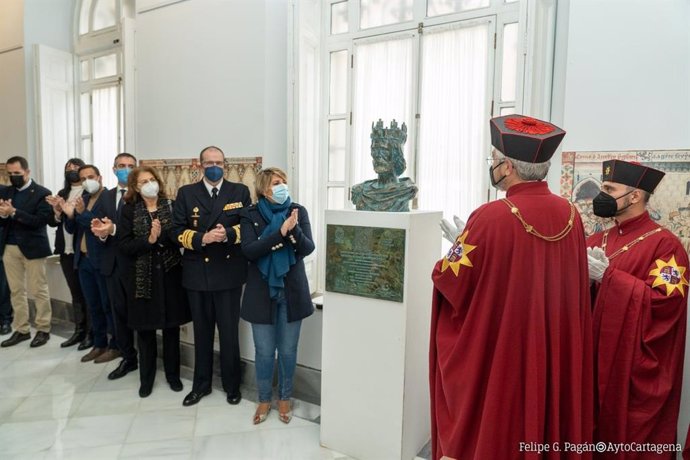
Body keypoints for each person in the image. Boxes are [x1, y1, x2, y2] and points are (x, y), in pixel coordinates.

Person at [429, 115, 593, 459]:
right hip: (550, 345)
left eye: (493, 160)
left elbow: (449, 280)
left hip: (502, 348)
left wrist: (458, 246)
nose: (493, 167)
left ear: (506, 168)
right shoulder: (570, 214)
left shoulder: (490, 216)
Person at [586, 159, 688, 457]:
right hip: (590, 361)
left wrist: (610, 279)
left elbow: (668, 304)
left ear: (634, 196)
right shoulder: (595, 239)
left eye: (609, 188)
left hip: (630, 369)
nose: (601, 194)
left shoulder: (666, 246)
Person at [173, 146, 251, 407]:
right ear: (199, 165)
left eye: (218, 162)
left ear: (225, 164)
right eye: (209, 163)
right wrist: (201, 238)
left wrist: (228, 234)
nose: (214, 166)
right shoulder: (186, 193)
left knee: (229, 334)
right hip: (197, 273)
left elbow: (249, 226)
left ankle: (232, 385)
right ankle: (201, 385)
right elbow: (175, 231)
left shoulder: (239, 191)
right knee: (202, 333)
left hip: (228, 274)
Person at [239, 167, 315, 424]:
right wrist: (279, 233)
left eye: (284, 181)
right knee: (263, 352)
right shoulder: (249, 214)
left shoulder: (298, 211)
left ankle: (284, 397)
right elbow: (250, 250)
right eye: (276, 182)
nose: (282, 186)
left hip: (292, 292)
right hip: (261, 292)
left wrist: (293, 230)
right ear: (263, 189)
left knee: (288, 350)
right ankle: (263, 399)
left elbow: (307, 248)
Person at [118, 166, 191, 398]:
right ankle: (146, 379)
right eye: (143, 182)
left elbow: (179, 235)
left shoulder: (170, 205)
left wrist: (161, 239)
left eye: (152, 179)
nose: (149, 184)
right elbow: (125, 245)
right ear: (136, 187)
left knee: (171, 330)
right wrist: (148, 240)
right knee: (146, 333)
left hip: (170, 275)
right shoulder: (129, 210)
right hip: (142, 279)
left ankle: (173, 376)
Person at [63, 165, 118, 363]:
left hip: (102, 260)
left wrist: (82, 213)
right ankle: (99, 343)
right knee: (93, 305)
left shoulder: (110, 198)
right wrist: (69, 213)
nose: (87, 181)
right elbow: (72, 229)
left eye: (91, 176)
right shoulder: (83, 199)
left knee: (107, 305)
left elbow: (99, 225)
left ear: (100, 177)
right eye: (83, 178)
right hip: (83, 259)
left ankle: (115, 346)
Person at [91, 153, 139, 380]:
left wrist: (114, 229)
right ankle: (128, 357)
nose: (126, 170)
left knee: (142, 315)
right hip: (112, 266)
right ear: (113, 169)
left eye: (130, 166)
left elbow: (141, 231)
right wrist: (102, 233)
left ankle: (147, 360)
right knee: (118, 315)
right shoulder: (106, 197)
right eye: (121, 166)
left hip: (138, 266)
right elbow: (100, 228)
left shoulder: (142, 196)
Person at [0, 156, 53, 348]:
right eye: (10, 173)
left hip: (33, 247)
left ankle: (43, 329)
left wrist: (14, 212)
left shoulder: (41, 193)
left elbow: (39, 221)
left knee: (38, 289)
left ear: (27, 172)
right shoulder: (5, 191)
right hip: (9, 247)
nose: (14, 177)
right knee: (16, 290)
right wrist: (2, 214)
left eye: (17, 173)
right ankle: (21, 329)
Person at [46, 158, 92, 349]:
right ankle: (79, 331)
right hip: (66, 250)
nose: (72, 171)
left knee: (88, 294)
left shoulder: (90, 193)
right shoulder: (62, 193)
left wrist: (74, 212)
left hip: (83, 250)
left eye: (76, 168)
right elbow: (53, 222)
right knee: (75, 293)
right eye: (68, 168)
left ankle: (92, 333)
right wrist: (57, 211)